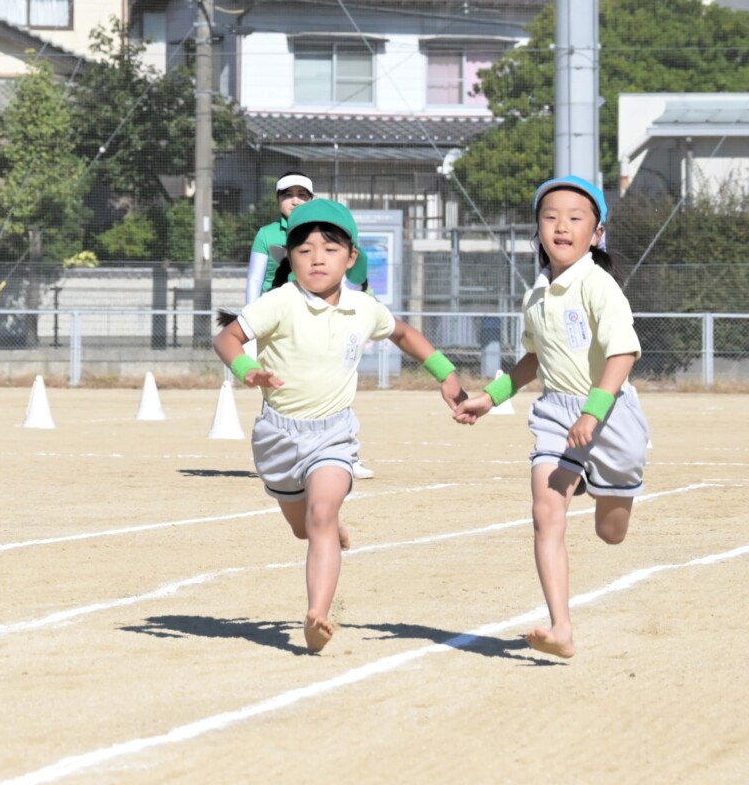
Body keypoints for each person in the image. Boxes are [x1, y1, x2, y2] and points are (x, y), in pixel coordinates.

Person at [215, 199, 466, 653]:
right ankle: (326, 527)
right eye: (304, 249)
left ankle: (318, 613)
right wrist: (248, 369)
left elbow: (405, 334)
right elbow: (226, 336)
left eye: (329, 249)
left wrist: (446, 374)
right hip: (277, 437)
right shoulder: (280, 302)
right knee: (304, 528)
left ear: (351, 257)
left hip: (333, 435)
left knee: (322, 514)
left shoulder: (363, 307)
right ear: (290, 257)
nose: (316, 258)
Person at [454, 175, 650, 659]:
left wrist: (593, 411)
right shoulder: (535, 294)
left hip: (611, 415)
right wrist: (491, 396)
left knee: (612, 532)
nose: (562, 225)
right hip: (556, 413)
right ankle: (561, 626)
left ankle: (605, 496)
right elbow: (534, 359)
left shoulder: (599, 286)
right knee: (546, 515)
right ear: (538, 229)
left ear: (597, 233)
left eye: (575, 217)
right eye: (551, 216)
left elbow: (624, 354)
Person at [246, 172, 377, 480]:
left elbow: (349, 278)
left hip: (324, 316)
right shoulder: (267, 235)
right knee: (276, 388)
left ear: (311, 199)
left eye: (302, 194)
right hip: (279, 322)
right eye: (287, 194)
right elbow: (254, 280)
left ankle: (345, 454)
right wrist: (251, 326)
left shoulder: (329, 233)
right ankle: (280, 455)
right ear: (278, 200)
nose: (294, 199)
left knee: (335, 384)